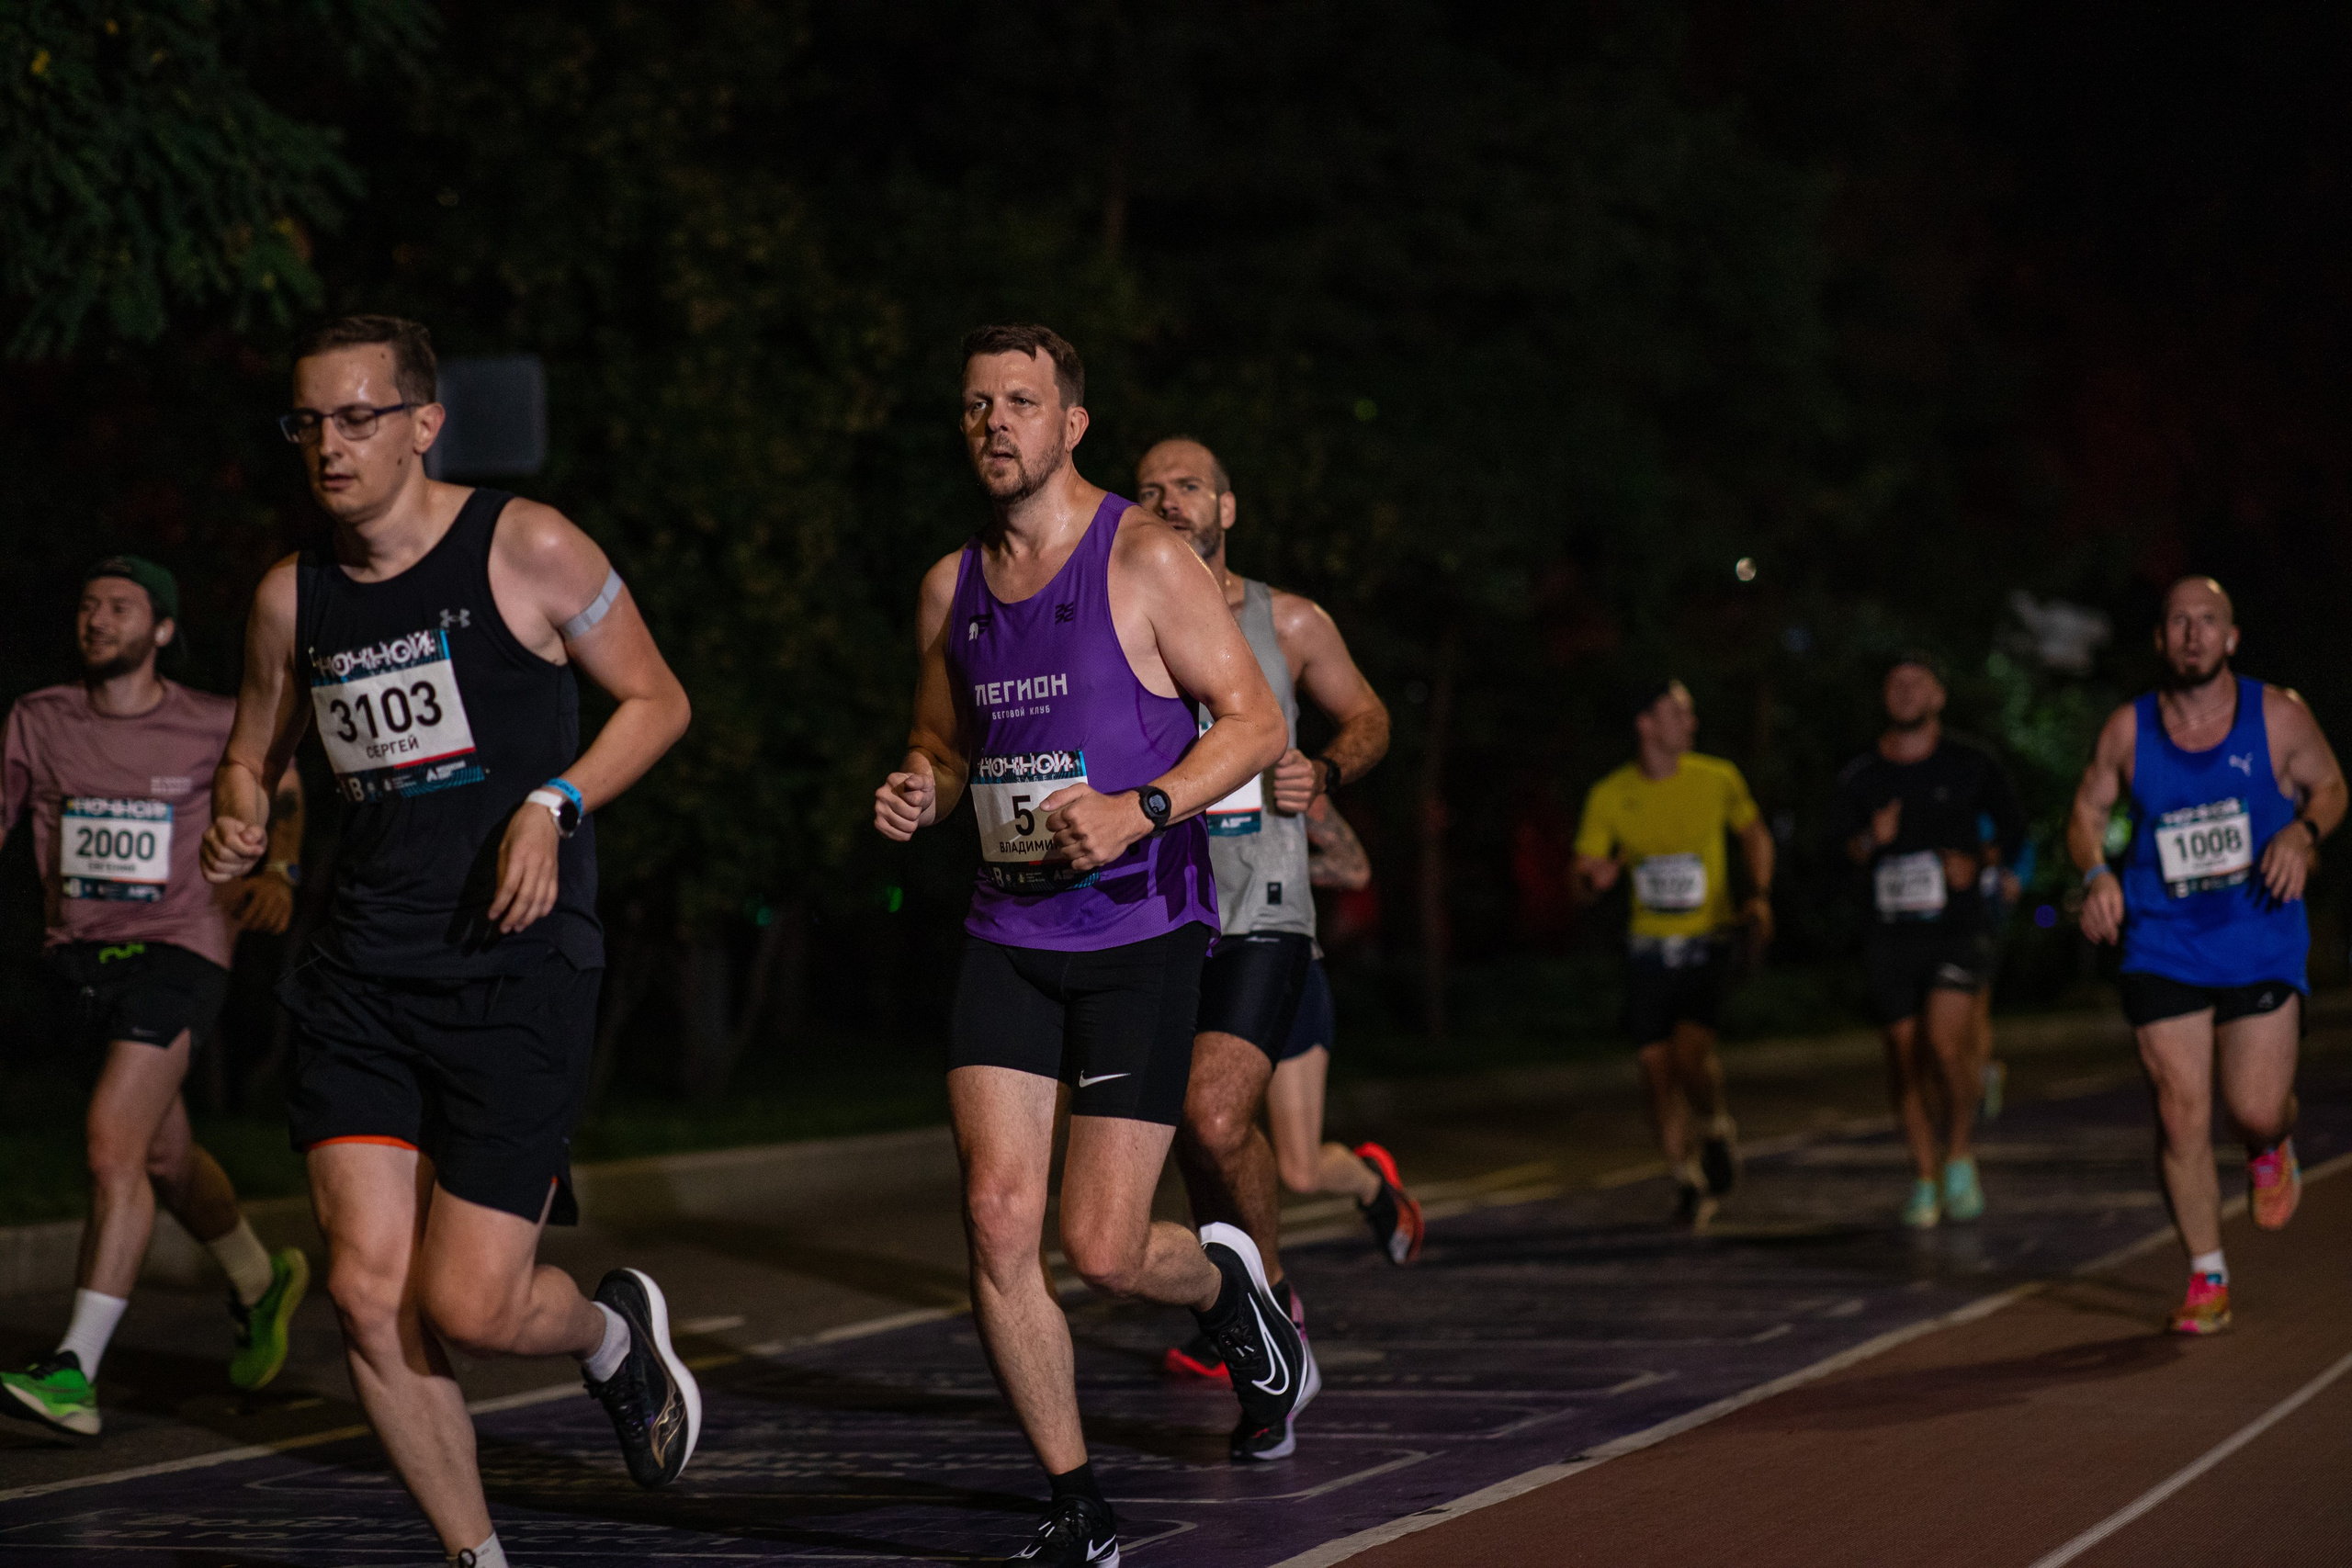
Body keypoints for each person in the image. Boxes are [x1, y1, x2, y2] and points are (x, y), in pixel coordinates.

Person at [200, 315, 697, 1568]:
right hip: (357, 975)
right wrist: (240, 820)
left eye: (358, 416)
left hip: (513, 968)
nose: (330, 443)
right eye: (308, 420)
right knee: (368, 1294)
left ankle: (609, 1339)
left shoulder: (522, 544)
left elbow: (659, 698)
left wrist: (554, 801)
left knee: (467, 1304)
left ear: (425, 422)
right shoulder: (289, 595)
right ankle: (476, 1556)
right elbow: (253, 756)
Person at [873, 326, 1295, 1567]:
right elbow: (944, 744)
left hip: (1140, 935)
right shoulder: (950, 587)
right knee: (997, 1214)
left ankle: (1232, 1293)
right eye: (975, 404)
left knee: (1101, 1249)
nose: (996, 421)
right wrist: (920, 783)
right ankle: (1078, 1504)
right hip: (1006, 930)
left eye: (1021, 401)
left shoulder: (1148, 559)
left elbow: (1256, 720)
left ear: (1071, 425)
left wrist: (1142, 804)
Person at [0, 559, 309, 1438]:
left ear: (162, 629)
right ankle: (260, 1278)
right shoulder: (38, 717)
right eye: (88, 604)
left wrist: (280, 866)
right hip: (80, 960)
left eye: (121, 606)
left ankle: (73, 1371)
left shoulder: (211, 721)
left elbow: (284, 782)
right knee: (162, 1157)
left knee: (110, 1147)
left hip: (182, 949)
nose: (98, 619)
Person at [1132, 436, 1401, 1382]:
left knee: (1211, 1118)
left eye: (1188, 487)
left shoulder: (1286, 622)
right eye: (1150, 489)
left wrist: (1321, 767)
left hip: (1264, 906)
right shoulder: (1124, 624)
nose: (1169, 501)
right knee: (1186, 1136)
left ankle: (1267, 1300)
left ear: (1226, 508)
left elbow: (1368, 717)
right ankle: (1256, 1305)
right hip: (1157, 913)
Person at [2069, 577, 2344, 1335]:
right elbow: (2087, 812)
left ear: (2231, 638)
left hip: (2259, 934)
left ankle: (2271, 1142)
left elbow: (2330, 787)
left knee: (2251, 1106)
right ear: (2161, 639)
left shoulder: (2278, 715)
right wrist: (2095, 874)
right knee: (2180, 1111)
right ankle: (2206, 1273)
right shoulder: (2129, 730)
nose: (2193, 633)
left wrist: (2300, 833)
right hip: (2163, 940)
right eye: (2179, 621)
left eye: (2209, 620)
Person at [1163, 795, 1424, 1386]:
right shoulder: (1163, 747)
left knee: (1299, 1171)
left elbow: (1354, 867)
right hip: (1204, 963)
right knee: (1203, 1143)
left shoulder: (1276, 763)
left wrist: (1276, 863)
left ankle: (1371, 1184)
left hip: (1283, 969)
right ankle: (1228, 1318)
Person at [1832, 656, 2025, 1229]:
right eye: (1895, 683)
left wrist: (1981, 864)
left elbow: (2013, 828)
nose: (1905, 691)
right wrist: (1872, 838)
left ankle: (1960, 1153)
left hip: (1956, 928)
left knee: (1945, 1045)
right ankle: (1923, 1175)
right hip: (1889, 934)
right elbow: (1837, 850)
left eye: (1917, 683)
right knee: (1903, 1056)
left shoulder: (1972, 764)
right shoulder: (1862, 776)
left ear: (1939, 696)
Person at [1573, 678, 1773, 1228]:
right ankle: (1683, 1176)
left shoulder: (1718, 778)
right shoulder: (1610, 794)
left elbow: (1755, 834)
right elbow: (1581, 877)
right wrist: (1596, 881)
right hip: (1647, 949)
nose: (1691, 723)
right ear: (1647, 724)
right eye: (1678, 714)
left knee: (1690, 1055)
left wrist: (1756, 894)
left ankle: (1715, 1126)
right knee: (1655, 1068)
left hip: (1708, 940)